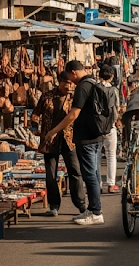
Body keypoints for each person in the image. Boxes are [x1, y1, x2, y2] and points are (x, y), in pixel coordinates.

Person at [44, 61, 107, 226]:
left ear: (73, 72)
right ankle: (92, 209)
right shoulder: (93, 82)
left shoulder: (82, 87)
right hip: (96, 136)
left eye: (69, 77)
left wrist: (53, 131)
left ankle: (95, 211)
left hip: (87, 138)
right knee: (91, 174)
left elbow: (73, 115)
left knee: (89, 176)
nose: (70, 82)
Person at [32, 77, 86, 217]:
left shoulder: (74, 97)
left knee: (75, 171)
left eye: (70, 83)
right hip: (49, 140)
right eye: (66, 83)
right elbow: (35, 114)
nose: (68, 85)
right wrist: (35, 126)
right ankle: (54, 205)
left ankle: (80, 204)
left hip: (69, 139)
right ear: (60, 82)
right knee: (51, 175)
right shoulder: (47, 96)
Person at [98, 65, 123, 194]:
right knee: (111, 155)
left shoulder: (94, 88)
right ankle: (111, 184)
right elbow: (117, 108)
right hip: (110, 126)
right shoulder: (113, 90)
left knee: (96, 157)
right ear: (112, 76)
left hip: (96, 127)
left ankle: (97, 185)